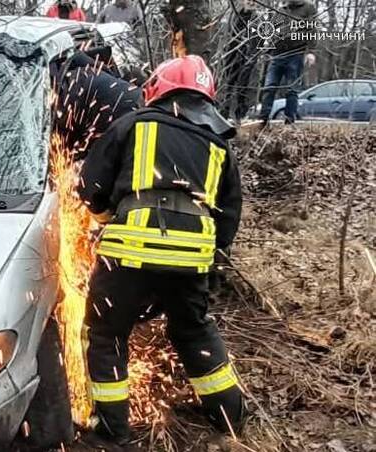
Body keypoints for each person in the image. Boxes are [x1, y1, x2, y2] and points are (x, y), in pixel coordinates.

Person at [77, 55, 245, 446]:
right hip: (191, 261)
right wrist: (196, 252)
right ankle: (230, 415)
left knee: (107, 334)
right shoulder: (219, 146)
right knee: (193, 330)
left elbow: (89, 188)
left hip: (130, 253)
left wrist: (108, 217)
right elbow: (227, 221)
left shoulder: (132, 124)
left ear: (156, 89)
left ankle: (111, 430)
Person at [258, 0, 316, 125]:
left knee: (292, 89)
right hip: (277, 54)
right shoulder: (281, 10)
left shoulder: (308, 8)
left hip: (296, 53)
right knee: (269, 86)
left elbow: (312, 30)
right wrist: (267, 50)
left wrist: (311, 51)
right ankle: (263, 119)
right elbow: (272, 32)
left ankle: (289, 121)